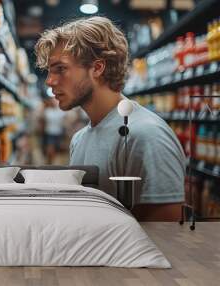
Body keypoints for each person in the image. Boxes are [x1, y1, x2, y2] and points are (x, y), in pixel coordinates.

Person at [34, 16, 186, 221]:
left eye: (60, 69)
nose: (50, 81)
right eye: (49, 71)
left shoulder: (146, 136)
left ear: (97, 68)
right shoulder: (79, 139)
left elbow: (167, 238)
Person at [41, 97, 66, 164]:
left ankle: (52, 163)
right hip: (49, 133)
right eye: (52, 101)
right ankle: (49, 163)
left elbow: (65, 121)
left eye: (55, 101)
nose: (54, 102)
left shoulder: (61, 111)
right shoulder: (47, 111)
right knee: (50, 150)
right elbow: (43, 122)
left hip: (58, 133)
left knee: (57, 151)